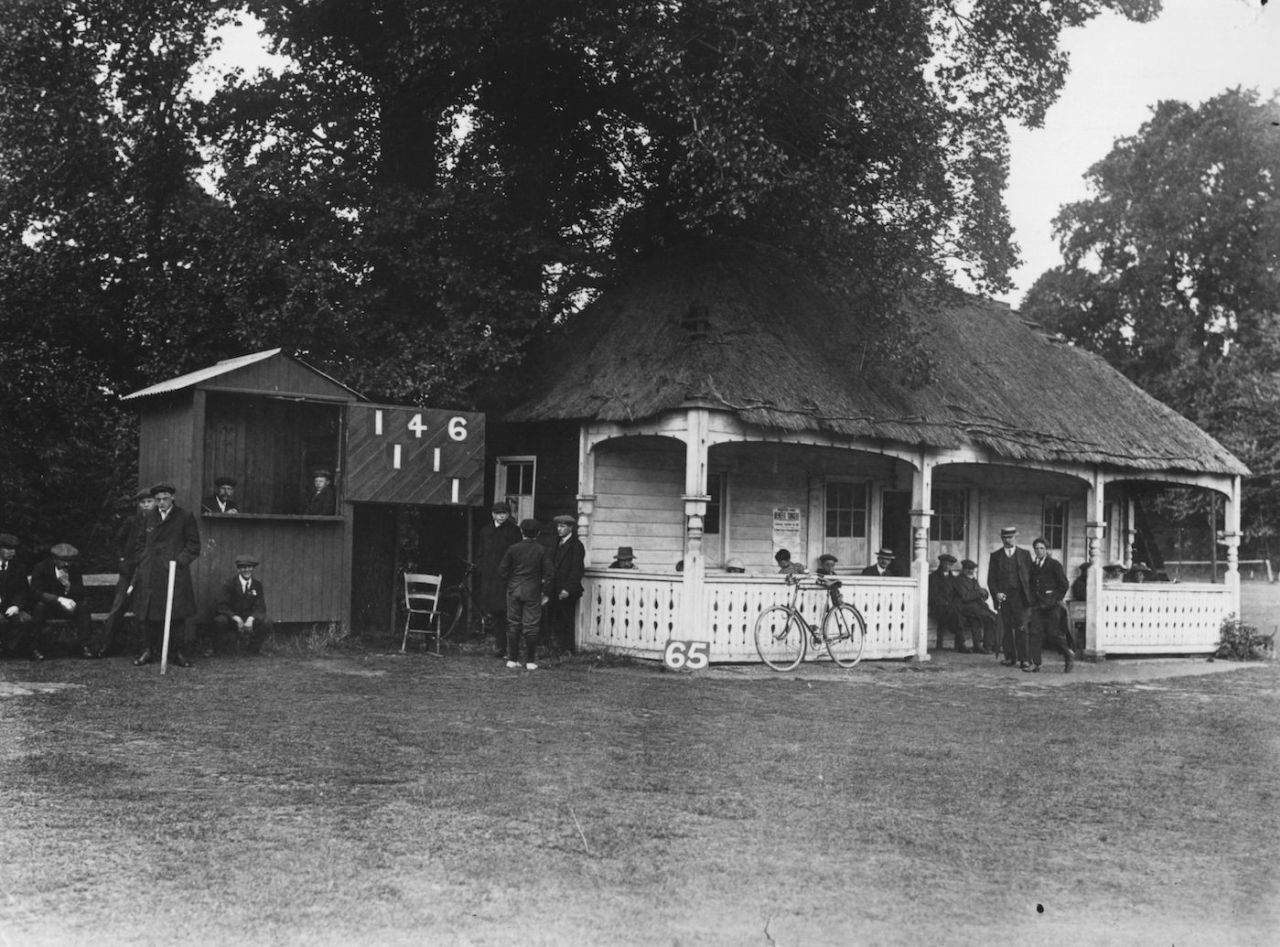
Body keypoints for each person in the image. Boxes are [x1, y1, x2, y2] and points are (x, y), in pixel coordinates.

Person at [132, 483, 200, 668]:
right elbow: (139, 543)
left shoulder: (185, 517)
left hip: (174, 573)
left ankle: (177, 652)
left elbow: (193, 545)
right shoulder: (149, 517)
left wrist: (179, 562)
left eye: (165, 499)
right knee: (147, 613)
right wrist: (143, 559)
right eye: (158, 500)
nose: (161, 503)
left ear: (173, 498)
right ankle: (147, 650)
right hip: (150, 573)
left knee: (176, 613)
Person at [88, 488, 154, 658]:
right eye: (143, 503)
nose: (146, 506)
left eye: (149, 502)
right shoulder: (132, 521)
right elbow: (116, 542)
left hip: (147, 572)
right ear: (139, 505)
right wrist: (122, 560)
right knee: (117, 608)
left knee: (143, 610)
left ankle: (145, 649)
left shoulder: (158, 524)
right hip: (128, 572)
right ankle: (104, 646)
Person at [498, 518, 552, 670]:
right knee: (531, 626)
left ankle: (512, 659)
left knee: (513, 624)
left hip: (513, 590)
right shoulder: (542, 550)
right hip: (533, 591)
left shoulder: (513, 548)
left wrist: (509, 585)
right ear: (538, 533)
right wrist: (545, 592)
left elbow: (502, 571)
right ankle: (530, 661)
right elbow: (550, 574)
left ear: (521, 532)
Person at [29, 543, 93, 658]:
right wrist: (58, 599)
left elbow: (81, 593)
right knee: (39, 607)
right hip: (48, 607)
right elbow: (35, 593)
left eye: (70, 561)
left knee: (83, 606)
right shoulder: (41, 568)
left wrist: (68, 586)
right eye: (63, 560)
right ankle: (35, 648)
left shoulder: (75, 569)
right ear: (55, 559)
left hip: (67, 608)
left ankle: (86, 647)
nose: (67, 564)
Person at [477, 501, 521, 659]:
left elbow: (517, 554)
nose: (501, 516)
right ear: (493, 514)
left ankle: (512, 648)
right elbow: (481, 553)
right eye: (498, 513)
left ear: (508, 515)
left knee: (509, 612)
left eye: (504, 513)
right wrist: (484, 568)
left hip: (507, 578)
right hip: (490, 578)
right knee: (496, 613)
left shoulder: (514, 531)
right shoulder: (485, 531)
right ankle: (500, 646)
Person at [987, 526, 1034, 669]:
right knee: (1006, 628)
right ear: (1001, 539)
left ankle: (1024, 659)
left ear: (1015, 537)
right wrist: (996, 593)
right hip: (1004, 597)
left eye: (1010, 537)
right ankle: (1009, 657)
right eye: (1005, 538)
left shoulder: (1024, 555)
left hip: (1020, 597)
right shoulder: (995, 556)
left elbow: (1031, 577)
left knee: (1021, 628)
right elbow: (991, 579)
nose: (1008, 540)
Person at [1028, 537, 1074, 673]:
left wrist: (1054, 598)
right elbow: (1031, 585)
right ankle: (1036, 664)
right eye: (1036, 548)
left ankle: (1068, 655)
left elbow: (1064, 584)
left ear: (1047, 550)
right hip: (1038, 605)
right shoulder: (1033, 565)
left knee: (1053, 633)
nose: (1039, 551)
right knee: (1034, 633)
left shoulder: (1054, 564)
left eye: (1042, 548)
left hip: (1053, 606)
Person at [212, 555, 273, 655]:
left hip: (249, 621)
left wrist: (251, 619)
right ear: (238, 569)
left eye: (249, 567)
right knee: (220, 620)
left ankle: (253, 650)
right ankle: (219, 650)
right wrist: (235, 617)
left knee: (267, 621)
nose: (247, 570)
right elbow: (221, 605)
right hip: (232, 620)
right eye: (243, 567)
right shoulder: (229, 583)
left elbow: (260, 607)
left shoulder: (257, 585)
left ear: (253, 568)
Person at [546, 514, 585, 657]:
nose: (559, 529)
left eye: (562, 526)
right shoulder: (555, 543)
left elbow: (577, 571)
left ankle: (567, 649)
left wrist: (567, 589)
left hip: (566, 590)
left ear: (571, 528)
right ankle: (554, 649)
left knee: (566, 620)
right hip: (553, 589)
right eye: (558, 526)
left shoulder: (576, 546)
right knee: (553, 618)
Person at [0, 532, 38, 661]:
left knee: (25, 619)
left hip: (10, 607)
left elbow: (22, 590)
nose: (12, 552)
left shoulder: (18, 567)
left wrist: (16, 605)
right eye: (8, 549)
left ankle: (8, 649)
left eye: (14, 549)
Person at [954, 559, 998, 654]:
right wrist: (979, 592)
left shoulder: (973, 580)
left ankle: (989, 646)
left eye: (972, 569)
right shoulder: (959, 581)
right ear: (963, 569)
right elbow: (965, 597)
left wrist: (984, 593)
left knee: (994, 617)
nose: (971, 571)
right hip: (965, 608)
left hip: (977, 607)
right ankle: (984, 646)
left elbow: (982, 594)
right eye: (968, 569)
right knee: (989, 618)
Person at [928, 553, 964, 651]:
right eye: (945, 564)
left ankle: (959, 644)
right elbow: (933, 595)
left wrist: (955, 603)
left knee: (958, 614)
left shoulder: (953, 578)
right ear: (941, 564)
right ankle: (960, 645)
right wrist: (946, 603)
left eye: (949, 565)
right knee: (956, 615)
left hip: (950, 607)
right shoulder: (934, 577)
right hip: (938, 606)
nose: (947, 566)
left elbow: (958, 593)